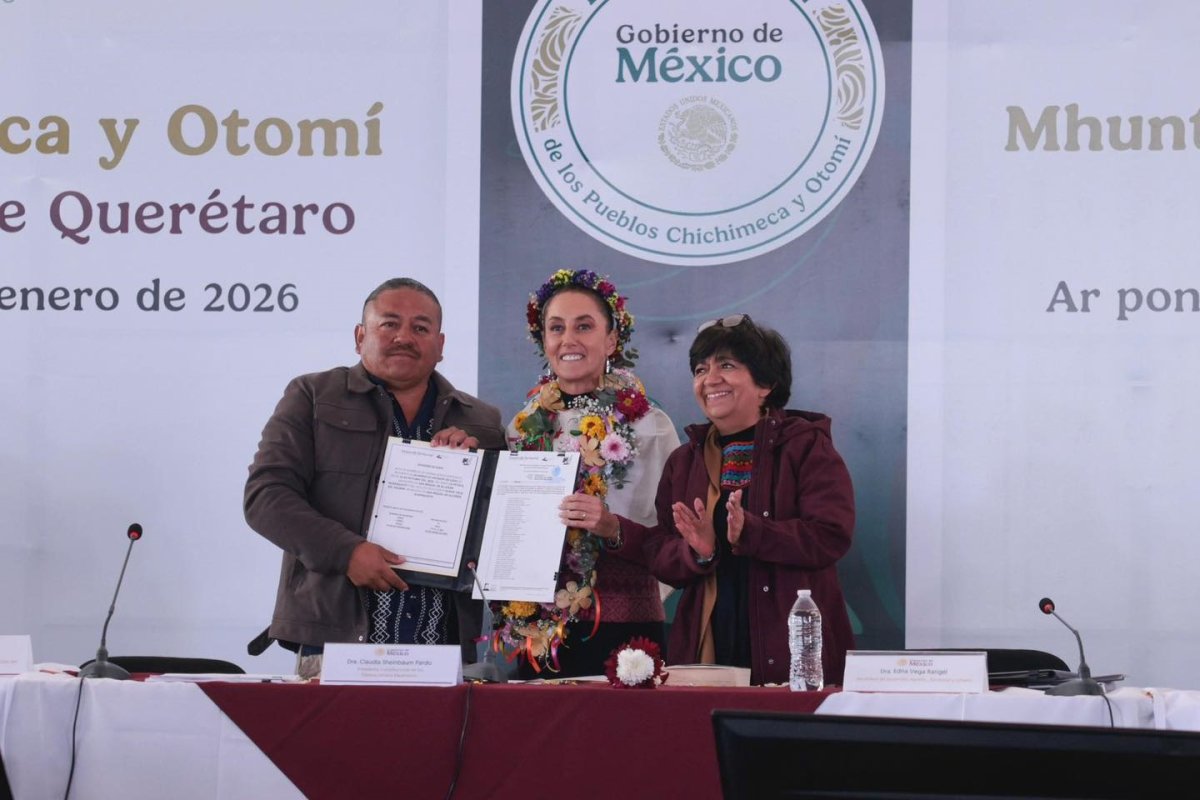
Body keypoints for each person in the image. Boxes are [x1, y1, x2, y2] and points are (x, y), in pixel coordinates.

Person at [574, 314, 856, 685]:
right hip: (707, 649)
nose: (710, 379)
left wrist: (752, 532)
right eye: (701, 369)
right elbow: (663, 555)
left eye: (727, 366)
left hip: (793, 651)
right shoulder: (684, 461)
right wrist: (697, 551)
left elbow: (831, 535)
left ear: (766, 384)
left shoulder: (805, 446)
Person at [244, 277, 506, 667]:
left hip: (443, 648)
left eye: (420, 328)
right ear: (360, 336)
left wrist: (474, 473)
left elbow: (502, 528)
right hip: (332, 645)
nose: (404, 337)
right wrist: (346, 552)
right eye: (389, 324)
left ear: (440, 345)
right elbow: (265, 497)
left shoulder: (481, 420)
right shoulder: (312, 396)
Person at [493, 268, 680, 677]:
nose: (568, 339)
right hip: (542, 633)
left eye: (584, 326)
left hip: (627, 630)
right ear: (544, 340)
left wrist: (613, 529)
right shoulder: (522, 427)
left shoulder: (649, 425)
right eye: (556, 328)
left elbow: (674, 542)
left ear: (611, 339)